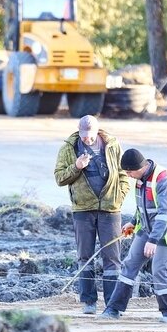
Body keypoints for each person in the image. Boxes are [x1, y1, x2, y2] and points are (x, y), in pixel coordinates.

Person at [99, 148, 167, 324]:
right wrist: (133, 222)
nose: (129, 176)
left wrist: (153, 240)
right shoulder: (140, 180)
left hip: (166, 232)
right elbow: (143, 208)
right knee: (129, 264)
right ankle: (113, 308)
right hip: (147, 228)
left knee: (159, 269)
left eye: (130, 172)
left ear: (139, 167)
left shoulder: (163, 179)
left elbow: (163, 213)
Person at [54, 115, 130, 314]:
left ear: (97, 132)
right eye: (83, 136)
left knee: (112, 259)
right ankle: (88, 302)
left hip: (110, 209)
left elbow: (123, 175)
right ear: (78, 131)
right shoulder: (68, 148)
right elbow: (59, 178)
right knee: (85, 257)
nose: (87, 139)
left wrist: (119, 197)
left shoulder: (112, 146)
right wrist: (77, 167)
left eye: (90, 136)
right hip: (83, 209)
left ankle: (112, 304)